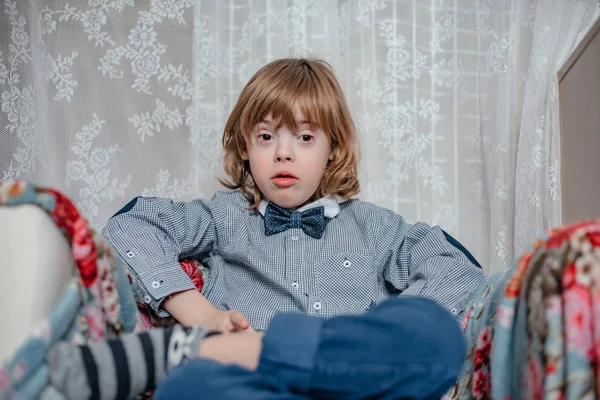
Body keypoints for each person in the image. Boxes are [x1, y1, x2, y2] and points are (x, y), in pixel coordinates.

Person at [96, 57, 483, 398]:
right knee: (187, 387)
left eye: (305, 137)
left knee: (438, 337)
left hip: (349, 383)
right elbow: (132, 225)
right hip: (255, 383)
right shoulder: (222, 217)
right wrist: (204, 317)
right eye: (266, 137)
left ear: (332, 146)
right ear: (244, 147)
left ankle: (321, 356)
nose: (283, 152)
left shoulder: (376, 228)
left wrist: (372, 335)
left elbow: (456, 267)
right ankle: (227, 353)